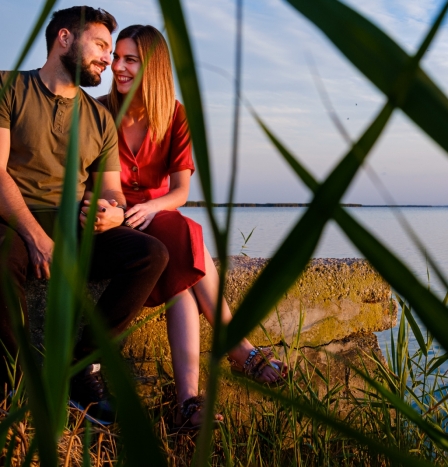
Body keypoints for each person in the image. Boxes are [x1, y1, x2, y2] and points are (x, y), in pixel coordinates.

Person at [102, 24, 288, 430]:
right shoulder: (99, 111)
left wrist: (151, 207)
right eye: (116, 57)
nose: (118, 66)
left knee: (182, 235)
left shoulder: (174, 113)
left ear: (152, 65)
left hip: (156, 213)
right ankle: (233, 352)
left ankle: (190, 399)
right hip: (114, 219)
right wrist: (122, 211)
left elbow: (181, 191)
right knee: (186, 252)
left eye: (130, 59)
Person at [0, 7, 170, 424]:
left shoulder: (99, 119)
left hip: (74, 220)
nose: (107, 60)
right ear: (64, 39)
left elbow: (111, 189)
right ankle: (17, 384)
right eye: (100, 46)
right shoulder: (8, 86)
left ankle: (81, 370)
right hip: (14, 218)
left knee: (150, 254)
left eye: (110, 51)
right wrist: (35, 238)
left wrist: (112, 213)